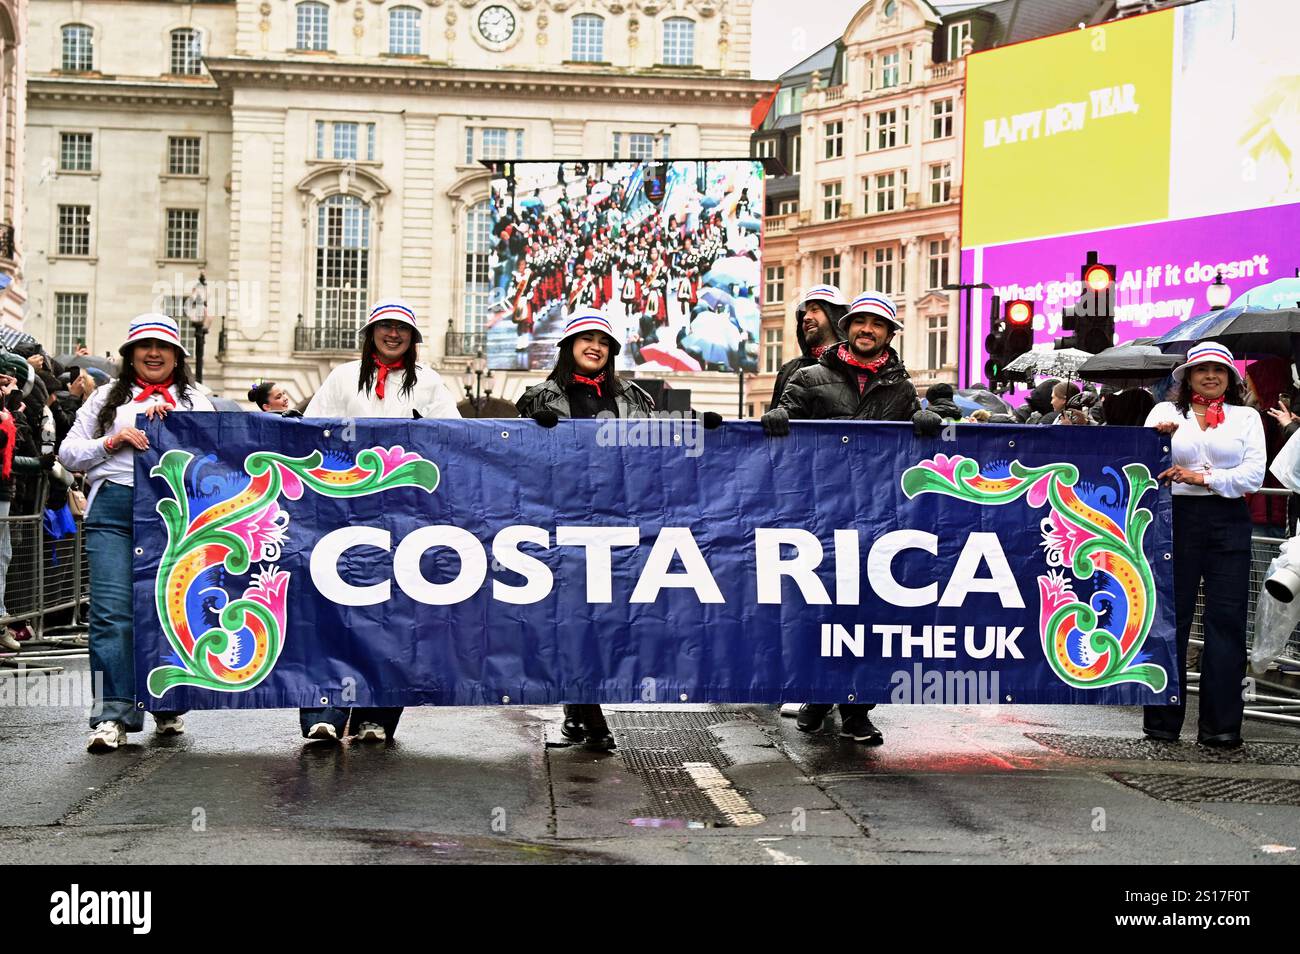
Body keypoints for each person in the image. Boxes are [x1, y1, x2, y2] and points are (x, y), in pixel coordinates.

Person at [761, 290, 922, 745]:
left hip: (878, 517)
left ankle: (856, 712)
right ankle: (817, 694)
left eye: (877, 324)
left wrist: (928, 424)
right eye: (859, 322)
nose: (866, 330)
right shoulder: (810, 378)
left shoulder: (901, 389)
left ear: (889, 334)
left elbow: (913, 446)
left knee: (866, 617)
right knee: (821, 611)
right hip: (821, 515)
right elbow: (784, 423)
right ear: (847, 326)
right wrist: (776, 419)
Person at [298, 298, 461, 744]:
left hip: (404, 513)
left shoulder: (428, 382)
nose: (393, 334)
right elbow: (311, 432)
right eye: (384, 327)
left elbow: (455, 436)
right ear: (370, 333)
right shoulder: (342, 377)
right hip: (340, 508)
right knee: (330, 609)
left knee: (392, 614)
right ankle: (322, 712)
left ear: (412, 339)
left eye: (401, 329)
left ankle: (377, 716)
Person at [58, 313, 216, 752]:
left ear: (176, 356)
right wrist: (112, 441)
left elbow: (216, 460)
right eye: (143, 346)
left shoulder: (195, 401)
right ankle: (113, 715)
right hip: (114, 506)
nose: (152, 353)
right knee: (111, 613)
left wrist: (177, 433)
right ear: (129, 355)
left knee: (168, 611)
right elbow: (68, 453)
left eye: (162, 347)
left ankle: (166, 702)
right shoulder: (107, 396)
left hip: (174, 512)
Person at [515, 308, 655, 752]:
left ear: (611, 352)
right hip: (561, 521)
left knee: (603, 622)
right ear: (568, 347)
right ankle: (591, 718)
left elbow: (652, 460)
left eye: (602, 341)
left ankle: (577, 711)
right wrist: (533, 435)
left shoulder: (636, 399)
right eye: (585, 338)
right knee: (573, 621)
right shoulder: (538, 398)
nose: (594, 346)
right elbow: (516, 463)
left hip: (615, 522)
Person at [1144, 341, 1265, 748]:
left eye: (1219, 370)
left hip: (1228, 521)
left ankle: (1221, 727)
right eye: (1202, 370)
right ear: (1188, 376)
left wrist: (1203, 478)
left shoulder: (1246, 417)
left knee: (1226, 624)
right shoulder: (1164, 412)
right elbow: (1144, 464)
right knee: (1169, 621)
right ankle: (1161, 723)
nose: (1210, 376)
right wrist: (1157, 442)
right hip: (1174, 520)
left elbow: (1252, 476)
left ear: (1230, 378)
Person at [771, 285, 846, 405]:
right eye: (805, 312)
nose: (806, 317)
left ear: (834, 315)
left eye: (814, 309)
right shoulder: (788, 370)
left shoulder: (854, 367)